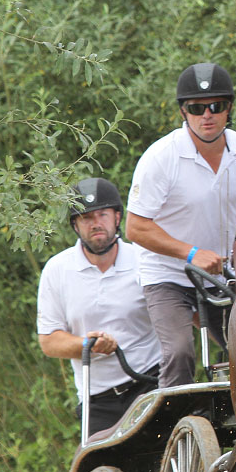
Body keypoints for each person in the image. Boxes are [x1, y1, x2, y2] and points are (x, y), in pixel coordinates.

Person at [126, 62, 236, 387]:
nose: (207, 115)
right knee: (180, 353)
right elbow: (135, 228)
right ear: (184, 112)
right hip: (167, 277)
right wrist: (191, 253)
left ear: (229, 109)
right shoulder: (161, 157)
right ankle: (170, 431)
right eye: (197, 108)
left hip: (221, 275)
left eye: (217, 106)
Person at [37, 177, 162, 435]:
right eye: (86, 218)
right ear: (75, 225)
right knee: (95, 468)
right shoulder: (57, 270)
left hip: (150, 383)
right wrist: (87, 345)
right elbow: (49, 341)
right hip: (97, 396)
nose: (96, 224)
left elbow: (173, 313)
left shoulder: (144, 259)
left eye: (102, 215)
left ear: (117, 217)